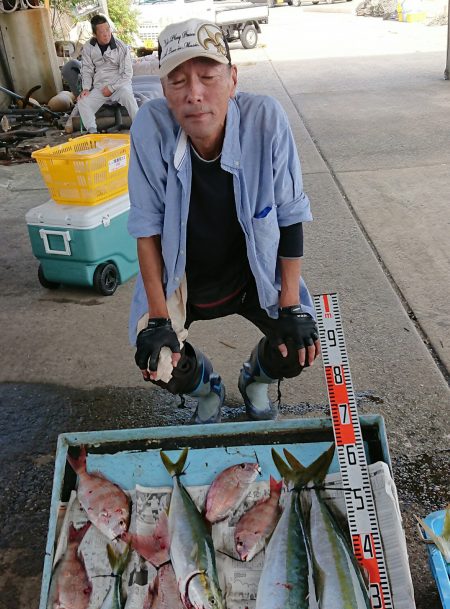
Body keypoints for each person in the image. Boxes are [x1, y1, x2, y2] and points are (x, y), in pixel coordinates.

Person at [127, 18, 320, 425]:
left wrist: (291, 307)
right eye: (177, 81)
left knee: (299, 346)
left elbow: (290, 217)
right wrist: (159, 319)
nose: (194, 94)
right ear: (163, 91)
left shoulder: (266, 120)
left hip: (254, 275)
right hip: (185, 279)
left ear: (232, 79)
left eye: (208, 76)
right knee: (156, 361)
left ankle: (255, 379)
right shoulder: (150, 126)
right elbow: (146, 229)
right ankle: (207, 387)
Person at [76, 14, 138, 134]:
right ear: (94, 34)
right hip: (100, 86)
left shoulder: (121, 47)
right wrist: (86, 88)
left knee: (128, 96)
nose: (106, 34)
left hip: (119, 85)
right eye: (102, 32)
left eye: (108, 29)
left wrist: (111, 88)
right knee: (82, 101)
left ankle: (140, 127)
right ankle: (92, 131)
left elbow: (127, 74)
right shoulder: (88, 47)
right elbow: (87, 69)